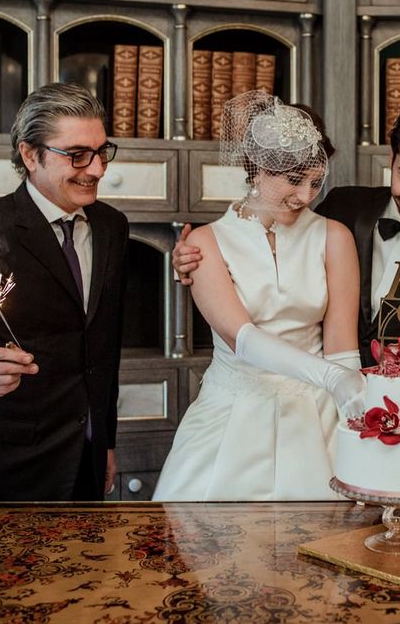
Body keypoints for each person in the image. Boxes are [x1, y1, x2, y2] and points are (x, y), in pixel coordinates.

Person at [174, 97, 400, 404]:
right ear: (391, 158)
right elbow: (272, 254)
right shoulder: (343, 208)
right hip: (314, 400)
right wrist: (191, 263)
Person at [152, 90, 363, 501]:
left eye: (315, 182)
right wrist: (332, 378)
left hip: (317, 416)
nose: (305, 196)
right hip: (233, 414)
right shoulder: (205, 242)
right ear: (259, 167)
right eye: (294, 179)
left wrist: (354, 408)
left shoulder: (333, 236)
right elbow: (241, 337)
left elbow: (341, 347)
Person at [0, 82, 128, 517]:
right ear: (30, 155)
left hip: (86, 460)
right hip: (6, 468)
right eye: (77, 154)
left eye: (102, 152)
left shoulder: (112, 227)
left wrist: (106, 442)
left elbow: (104, 348)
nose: (97, 169)